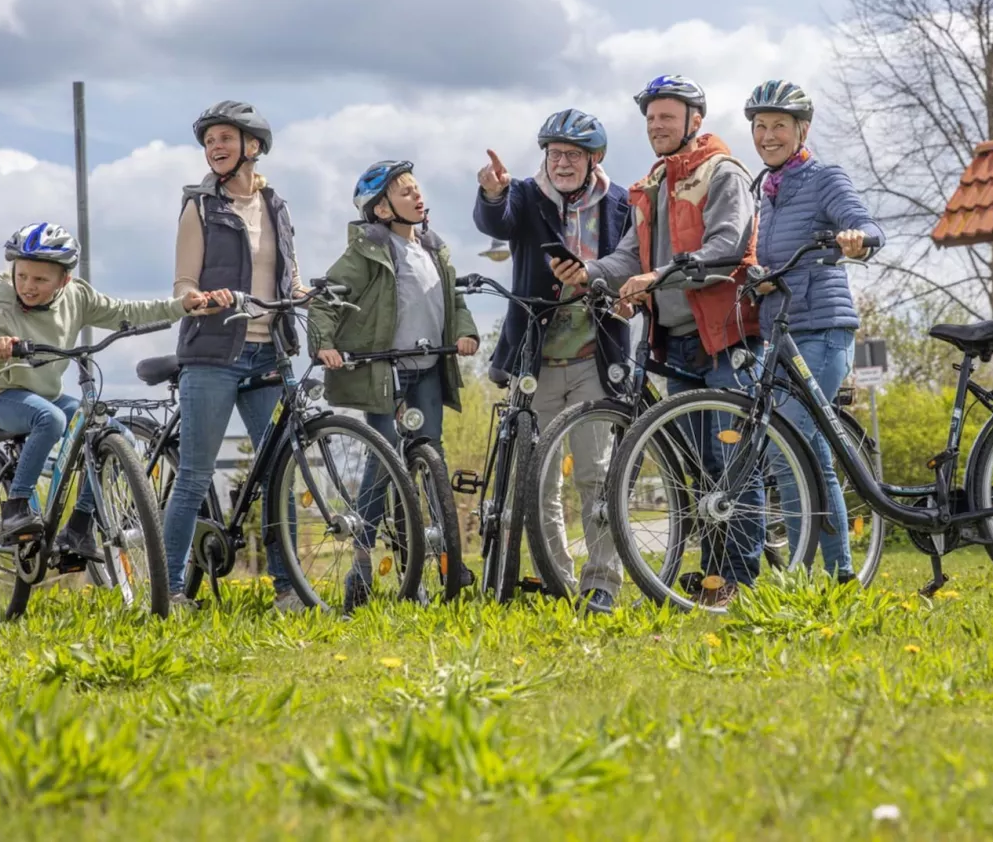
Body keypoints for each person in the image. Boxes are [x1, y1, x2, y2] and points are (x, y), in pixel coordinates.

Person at [549, 75, 762, 608]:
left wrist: (656, 278)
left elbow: (725, 247)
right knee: (700, 467)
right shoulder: (651, 186)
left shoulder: (722, 172)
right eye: (650, 119)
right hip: (678, 343)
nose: (657, 127)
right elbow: (627, 258)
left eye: (667, 117)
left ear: (694, 120)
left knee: (730, 461)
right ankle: (714, 575)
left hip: (726, 335)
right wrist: (588, 274)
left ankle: (739, 581)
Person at [0, 222, 217, 559]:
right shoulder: (3, 306)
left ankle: (78, 526)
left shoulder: (78, 297)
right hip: (1, 394)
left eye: (40, 279)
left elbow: (125, 312)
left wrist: (180, 306)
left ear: (65, 280)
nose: (28, 287)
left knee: (118, 437)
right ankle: (16, 507)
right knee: (52, 419)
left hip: (46, 394)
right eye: (22, 276)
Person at [474, 109, 632, 612]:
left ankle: (601, 582)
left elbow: (634, 261)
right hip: (537, 360)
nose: (562, 163)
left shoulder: (620, 204)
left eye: (573, 155)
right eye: (555, 154)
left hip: (595, 354)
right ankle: (557, 578)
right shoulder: (524, 194)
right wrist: (494, 192)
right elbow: (493, 221)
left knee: (596, 473)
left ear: (594, 159)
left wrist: (616, 290)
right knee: (538, 480)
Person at [309, 159, 480, 608]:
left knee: (430, 461)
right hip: (386, 371)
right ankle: (361, 567)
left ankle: (435, 563)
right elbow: (328, 298)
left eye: (417, 190)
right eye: (405, 193)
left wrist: (466, 333)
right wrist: (323, 343)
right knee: (383, 464)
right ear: (382, 210)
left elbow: (454, 299)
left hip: (427, 367)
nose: (418, 197)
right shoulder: (368, 251)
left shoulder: (433, 249)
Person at [166, 100, 305, 613]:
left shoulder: (277, 206)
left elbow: (288, 274)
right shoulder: (199, 206)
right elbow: (183, 280)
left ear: (253, 146)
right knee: (196, 474)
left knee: (280, 473)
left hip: (270, 352)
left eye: (225, 138)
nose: (215, 148)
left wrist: (304, 292)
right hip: (213, 354)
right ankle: (171, 590)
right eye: (210, 141)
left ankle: (287, 589)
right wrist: (197, 298)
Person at [746, 79, 882, 582]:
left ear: (802, 129)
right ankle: (837, 576)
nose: (768, 135)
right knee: (802, 450)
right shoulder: (765, 190)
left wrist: (855, 239)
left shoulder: (824, 177)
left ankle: (826, 573)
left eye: (779, 125)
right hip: (777, 332)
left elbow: (869, 227)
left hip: (822, 329)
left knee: (794, 449)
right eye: (760, 126)